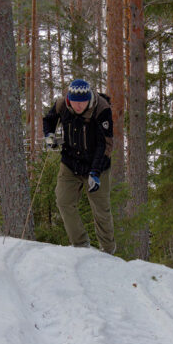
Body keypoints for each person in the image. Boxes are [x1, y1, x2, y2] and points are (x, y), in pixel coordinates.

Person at [42, 79, 115, 254]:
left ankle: (108, 250)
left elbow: (105, 145)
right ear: (69, 99)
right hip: (70, 163)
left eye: (83, 102)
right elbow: (49, 119)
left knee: (101, 209)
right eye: (75, 102)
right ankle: (81, 246)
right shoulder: (62, 104)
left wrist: (95, 172)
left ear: (89, 98)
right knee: (63, 200)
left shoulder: (102, 109)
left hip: (97, 166)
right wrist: (49, 135)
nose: (79, 106)